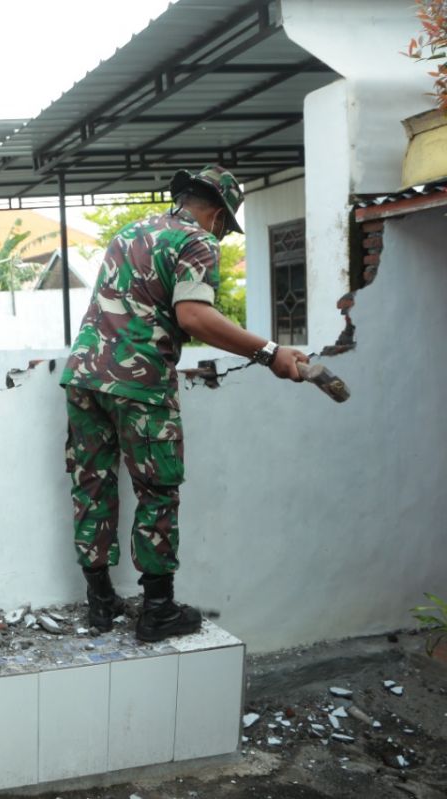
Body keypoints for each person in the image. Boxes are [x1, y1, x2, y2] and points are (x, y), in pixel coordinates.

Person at [59, 165, 309, 643]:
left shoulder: (130, 232)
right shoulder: (198, 242)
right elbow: (193, 316)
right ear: (216, 215)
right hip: (140, 384)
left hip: (84, 377)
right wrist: (269, 352)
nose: (222, 234)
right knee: (157, 489)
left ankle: (101, 603)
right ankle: (157, 612)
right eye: (225, 226)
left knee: (91, 484)